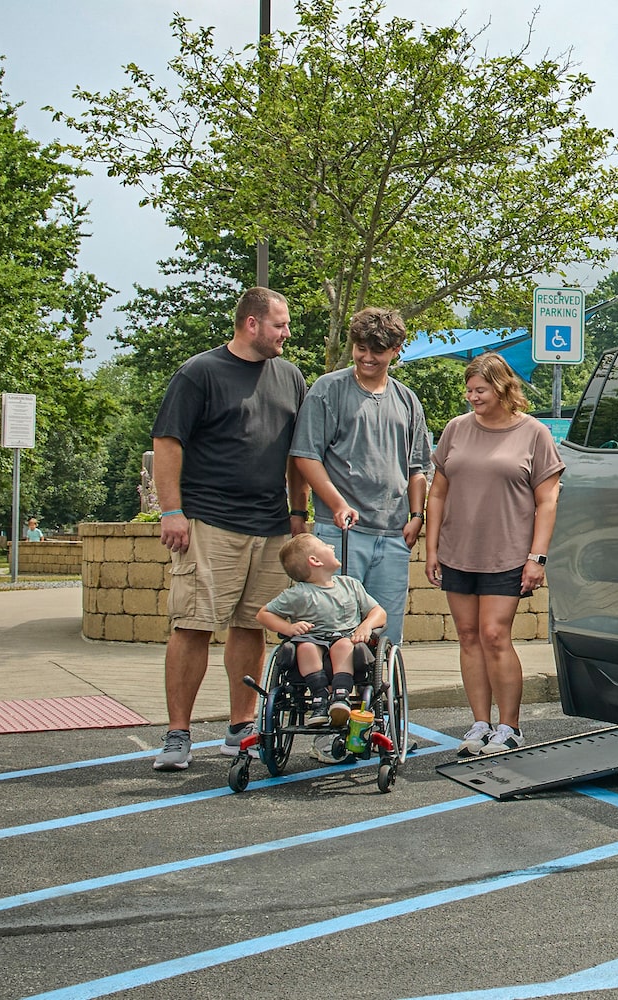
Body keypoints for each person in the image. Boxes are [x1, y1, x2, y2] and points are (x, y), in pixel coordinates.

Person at [149, 286, 310, 772]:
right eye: (280, 325)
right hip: (208, 520)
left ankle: (241, 725)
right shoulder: (199, 373)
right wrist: (170, 511)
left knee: (250, 626)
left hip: (269, 524)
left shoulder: (290, 377)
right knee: (193, 625)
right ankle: (179, 732)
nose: (287, 333)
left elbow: (296, 456)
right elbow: (167, 442)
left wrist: (297, 514)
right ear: (251, 324)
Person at [424, 353, 562, 757]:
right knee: (468, 637)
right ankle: (480, 723)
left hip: (509, 555)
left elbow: (548, 500)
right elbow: (438, 491)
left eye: (479, 390)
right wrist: (432, 549)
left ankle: (510, 727)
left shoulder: (534, 433)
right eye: (468, 391)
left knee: (495, 635)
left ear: (502, 388)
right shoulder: (455, 430)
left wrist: (537, 557)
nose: (472, 398)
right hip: (457, 552)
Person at [289, 306, 432, 648]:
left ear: (396, 350)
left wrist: (416, 515)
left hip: (393, 535)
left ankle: (374, 700)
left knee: (384, 635)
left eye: (377, 351)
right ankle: (334, 696)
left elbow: (418, 467)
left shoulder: (407, 400)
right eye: (361, 348)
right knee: (335, 629)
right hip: (340, 534)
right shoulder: (328, 390)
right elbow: (305, 457)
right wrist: (337, 504)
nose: (367, 357)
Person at [255, 534, 386, 726]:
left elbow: (378, 612)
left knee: (343, 644)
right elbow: (263, 614)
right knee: (305, 647)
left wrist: (366, 625)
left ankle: (340, 696)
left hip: (345, 639)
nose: (332, 546)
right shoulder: (297, 594)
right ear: (315, 561)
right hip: (312, 641)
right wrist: (288, 627)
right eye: (325, 545)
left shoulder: (350, 585)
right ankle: (320, 698)